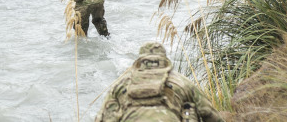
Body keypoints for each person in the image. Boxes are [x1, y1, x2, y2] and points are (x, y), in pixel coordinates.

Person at [96, 42, 225, 122]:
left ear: (140, 61)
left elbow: (100, 118)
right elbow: (208, 113)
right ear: (164, 59)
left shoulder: (122, 83)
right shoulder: (181, 81)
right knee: (189, 109)